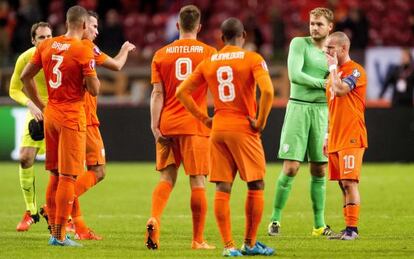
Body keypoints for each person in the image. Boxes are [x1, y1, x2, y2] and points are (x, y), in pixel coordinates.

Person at [177, 17, 275, 257]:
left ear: (221, 39)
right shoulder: (253, 58)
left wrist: (205, 119)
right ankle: (250, 244)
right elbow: (269, 91)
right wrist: (260, 122)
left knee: (223, 186)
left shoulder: (209, 61)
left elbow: (182, 92)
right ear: (243, 36)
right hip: (243, 127)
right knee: (256, 183)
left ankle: (229, 246)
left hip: (218, 127)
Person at [21, 5, 100, 246]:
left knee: (54, 174)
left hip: (51, 113)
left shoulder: (47, 45)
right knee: (68, 176)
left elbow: (25, 77)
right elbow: (94, 89)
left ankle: (55, 232)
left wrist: (39, 104)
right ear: (84, 25)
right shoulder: (82, 50)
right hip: (71, 115)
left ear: (67, 23)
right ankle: (58, 236)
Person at [146, 5, 216, 250]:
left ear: (177, 26)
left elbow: (156, 93)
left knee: (167, 176)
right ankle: (198, 240)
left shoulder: (161, 54)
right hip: (195, 125)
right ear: (199, 27)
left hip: (167, 123)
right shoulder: (209, 53)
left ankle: (154, 217)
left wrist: (155, 127)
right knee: (197, 180)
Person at [65, 10, 136, 241]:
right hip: (85, 119)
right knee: (98, 171)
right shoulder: (87, 49)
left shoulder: (63, 47)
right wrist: (125, 50)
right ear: (83, 25)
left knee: (71, 175)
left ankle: (78, 227)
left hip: (66, 116)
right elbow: (116, 66)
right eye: (93, 26)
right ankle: (57, 207)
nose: (96, 31)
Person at [268, 7, 335, 237]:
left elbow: (339, 81)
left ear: (329, 27)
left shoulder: (334, 52)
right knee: (291, 167)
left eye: (319, 24)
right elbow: (295, 75)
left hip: (322, 112)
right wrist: (323, 84)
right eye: (312, 23)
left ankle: (319, 225)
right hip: (298, 107)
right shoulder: (299, 44)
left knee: (320, 168)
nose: (314, 27)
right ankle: (275, 219)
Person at [324, 31, 368, 240]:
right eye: (326, 47)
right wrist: (326, 134)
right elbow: (331, 107)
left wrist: (332, 68)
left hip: (351, 134)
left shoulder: (356, 71)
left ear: (343, 48)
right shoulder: (332, 75)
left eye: (331, 47)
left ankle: (353, 230)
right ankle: (347, 228)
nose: (327, 51)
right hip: (335, 136)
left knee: (350, 182)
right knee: (343, 184)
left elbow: (341, 90)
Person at [9, 22, 52, 232]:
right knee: (25, 158)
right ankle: (31, 211)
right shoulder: (25, 59)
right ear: (33, 40)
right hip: (36, 111)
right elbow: (14, 90)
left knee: (62, 168)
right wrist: (31, 104)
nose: (46, 41)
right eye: (41, 37)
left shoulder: (61, 56)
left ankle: (64, 216)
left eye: (49, 36)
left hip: (59, 113)